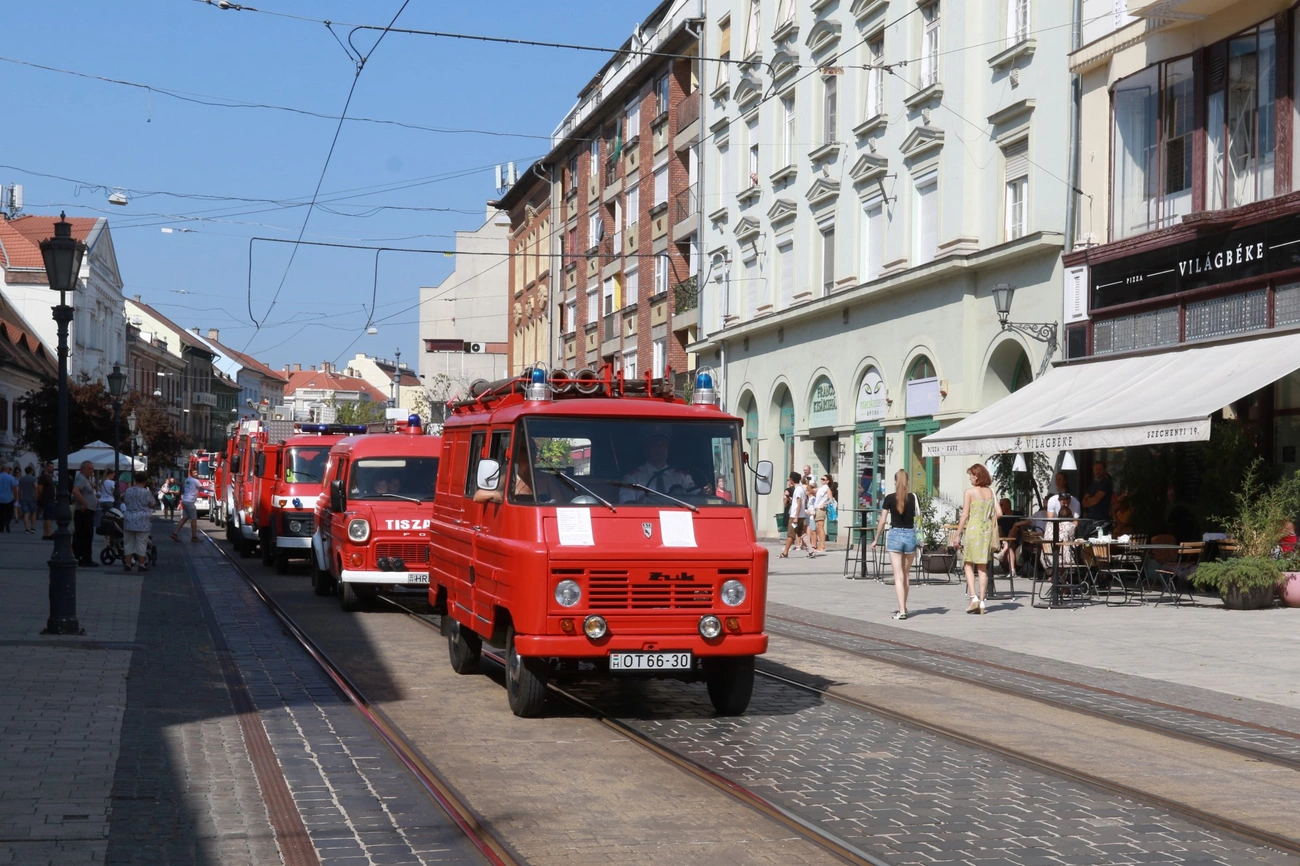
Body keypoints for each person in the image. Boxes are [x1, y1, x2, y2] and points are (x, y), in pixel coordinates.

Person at [871, 470, 919, 620]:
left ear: (894, 481)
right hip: (910, 535)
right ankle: (903, 606)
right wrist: (920, 538)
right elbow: (918, 519)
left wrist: (876, 538)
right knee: (906, 575)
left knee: (898, 576)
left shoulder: (889, 498)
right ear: (908, 482)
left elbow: (883, 520)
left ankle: (902, 610)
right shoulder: (913, 498)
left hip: (895, 535)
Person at [954, 463, 1001, 615]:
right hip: (986, 529)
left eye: (971, 475)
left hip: (974, 528)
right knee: (982, 567)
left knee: (968, 563)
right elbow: (999, 513)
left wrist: (957, 534)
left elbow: (965, 515)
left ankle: (973, 597)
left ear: (977, 476)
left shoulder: (970, 492)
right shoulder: (991, 492)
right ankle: (982, 601)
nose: (970, 478)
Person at [619, 425, 694, 503]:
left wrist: (706, 491)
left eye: (663, 443)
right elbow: (627, 505)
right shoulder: (633, 478)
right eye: (654, 444)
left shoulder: (681, 477)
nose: (660, 448)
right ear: (646, 449)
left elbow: (699, 499)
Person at [121, 475, 156, 573]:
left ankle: (127, 564)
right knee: (141, 543)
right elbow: (153, 504)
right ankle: (141, 564)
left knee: (128, 543)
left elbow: (123, 499)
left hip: (129, 518)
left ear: (135, 480)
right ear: (145, 481)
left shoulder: (128, 491)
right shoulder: (146, 492)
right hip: (142, 520)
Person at [72, 461, 99, 567]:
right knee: (85, 535)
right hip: (84, 511)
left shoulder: (84, 479)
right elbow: (75, 491)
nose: (91, 471)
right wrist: (84, 502)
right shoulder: (81, 478)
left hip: (87, 511)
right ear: (82, 469)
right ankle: (85, 559)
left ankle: (82, 557)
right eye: (89, 469)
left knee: (84, 535)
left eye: (92, 469)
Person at [779, 472, 808, 559]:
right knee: (802, 533)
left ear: (791, 479)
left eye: (789, 479)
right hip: (801, 515)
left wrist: (795, 516)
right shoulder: (801, 488)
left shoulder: (798, 489)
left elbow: (799, 504)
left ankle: (785, 552)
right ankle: (810, 550)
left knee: (791, 534)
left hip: (796, 515)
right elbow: (803, 502)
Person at [171, 468, 203, 543]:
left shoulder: (187, 480)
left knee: (184, 518)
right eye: (195, 473)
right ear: (191, 473)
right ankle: (194, 537)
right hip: (190, 502)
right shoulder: (195, 481)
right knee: (194, 519)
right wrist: (212, 490)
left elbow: (194, 488)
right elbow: (202, 487)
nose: (196, 474)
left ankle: (174, 533)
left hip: (185, 500)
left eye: (196, 472)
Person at [811, 474, 832, 555]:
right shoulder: (821, 488)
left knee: (820, 527)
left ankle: (822, 546)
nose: (822, 480)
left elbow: (831, 499)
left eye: (823, 479)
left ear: (827, 481)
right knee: (817, 528)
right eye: (821, 479)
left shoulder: (827, 489)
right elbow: (812, 491)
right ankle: (820, 546)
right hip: (816, 508)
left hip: (821, 509)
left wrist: (825, 504)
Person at [36, 461, 56, 539]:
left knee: (47, 517)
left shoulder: (50, 476)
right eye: (50, 467)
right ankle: (48, 534)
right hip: (47, 499)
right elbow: (40, 488)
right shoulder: (44, 477)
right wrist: (41, 497)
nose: (52, 468)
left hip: (49, 499)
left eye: (53, 467)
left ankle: (46, 534)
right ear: (46, 467)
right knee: (48, 517)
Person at [18, 465, 38, 534]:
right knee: (33, 513)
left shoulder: (21, 479)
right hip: (32, 498)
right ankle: (33, 528)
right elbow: (35, 487)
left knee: (26, 514)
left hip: (24, 498)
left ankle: (26, 528)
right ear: (31, 471)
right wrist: (36, 495)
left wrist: (19, 497)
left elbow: (19, 490)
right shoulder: (34, 478)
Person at [0, 464, 17, 532]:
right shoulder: (11, 477)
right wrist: (16, 497)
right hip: (9, 498)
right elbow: (14, 489)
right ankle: (7, 523)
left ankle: (1, 527)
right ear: (7, 470)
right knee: (10, 512)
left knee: (0, 513)